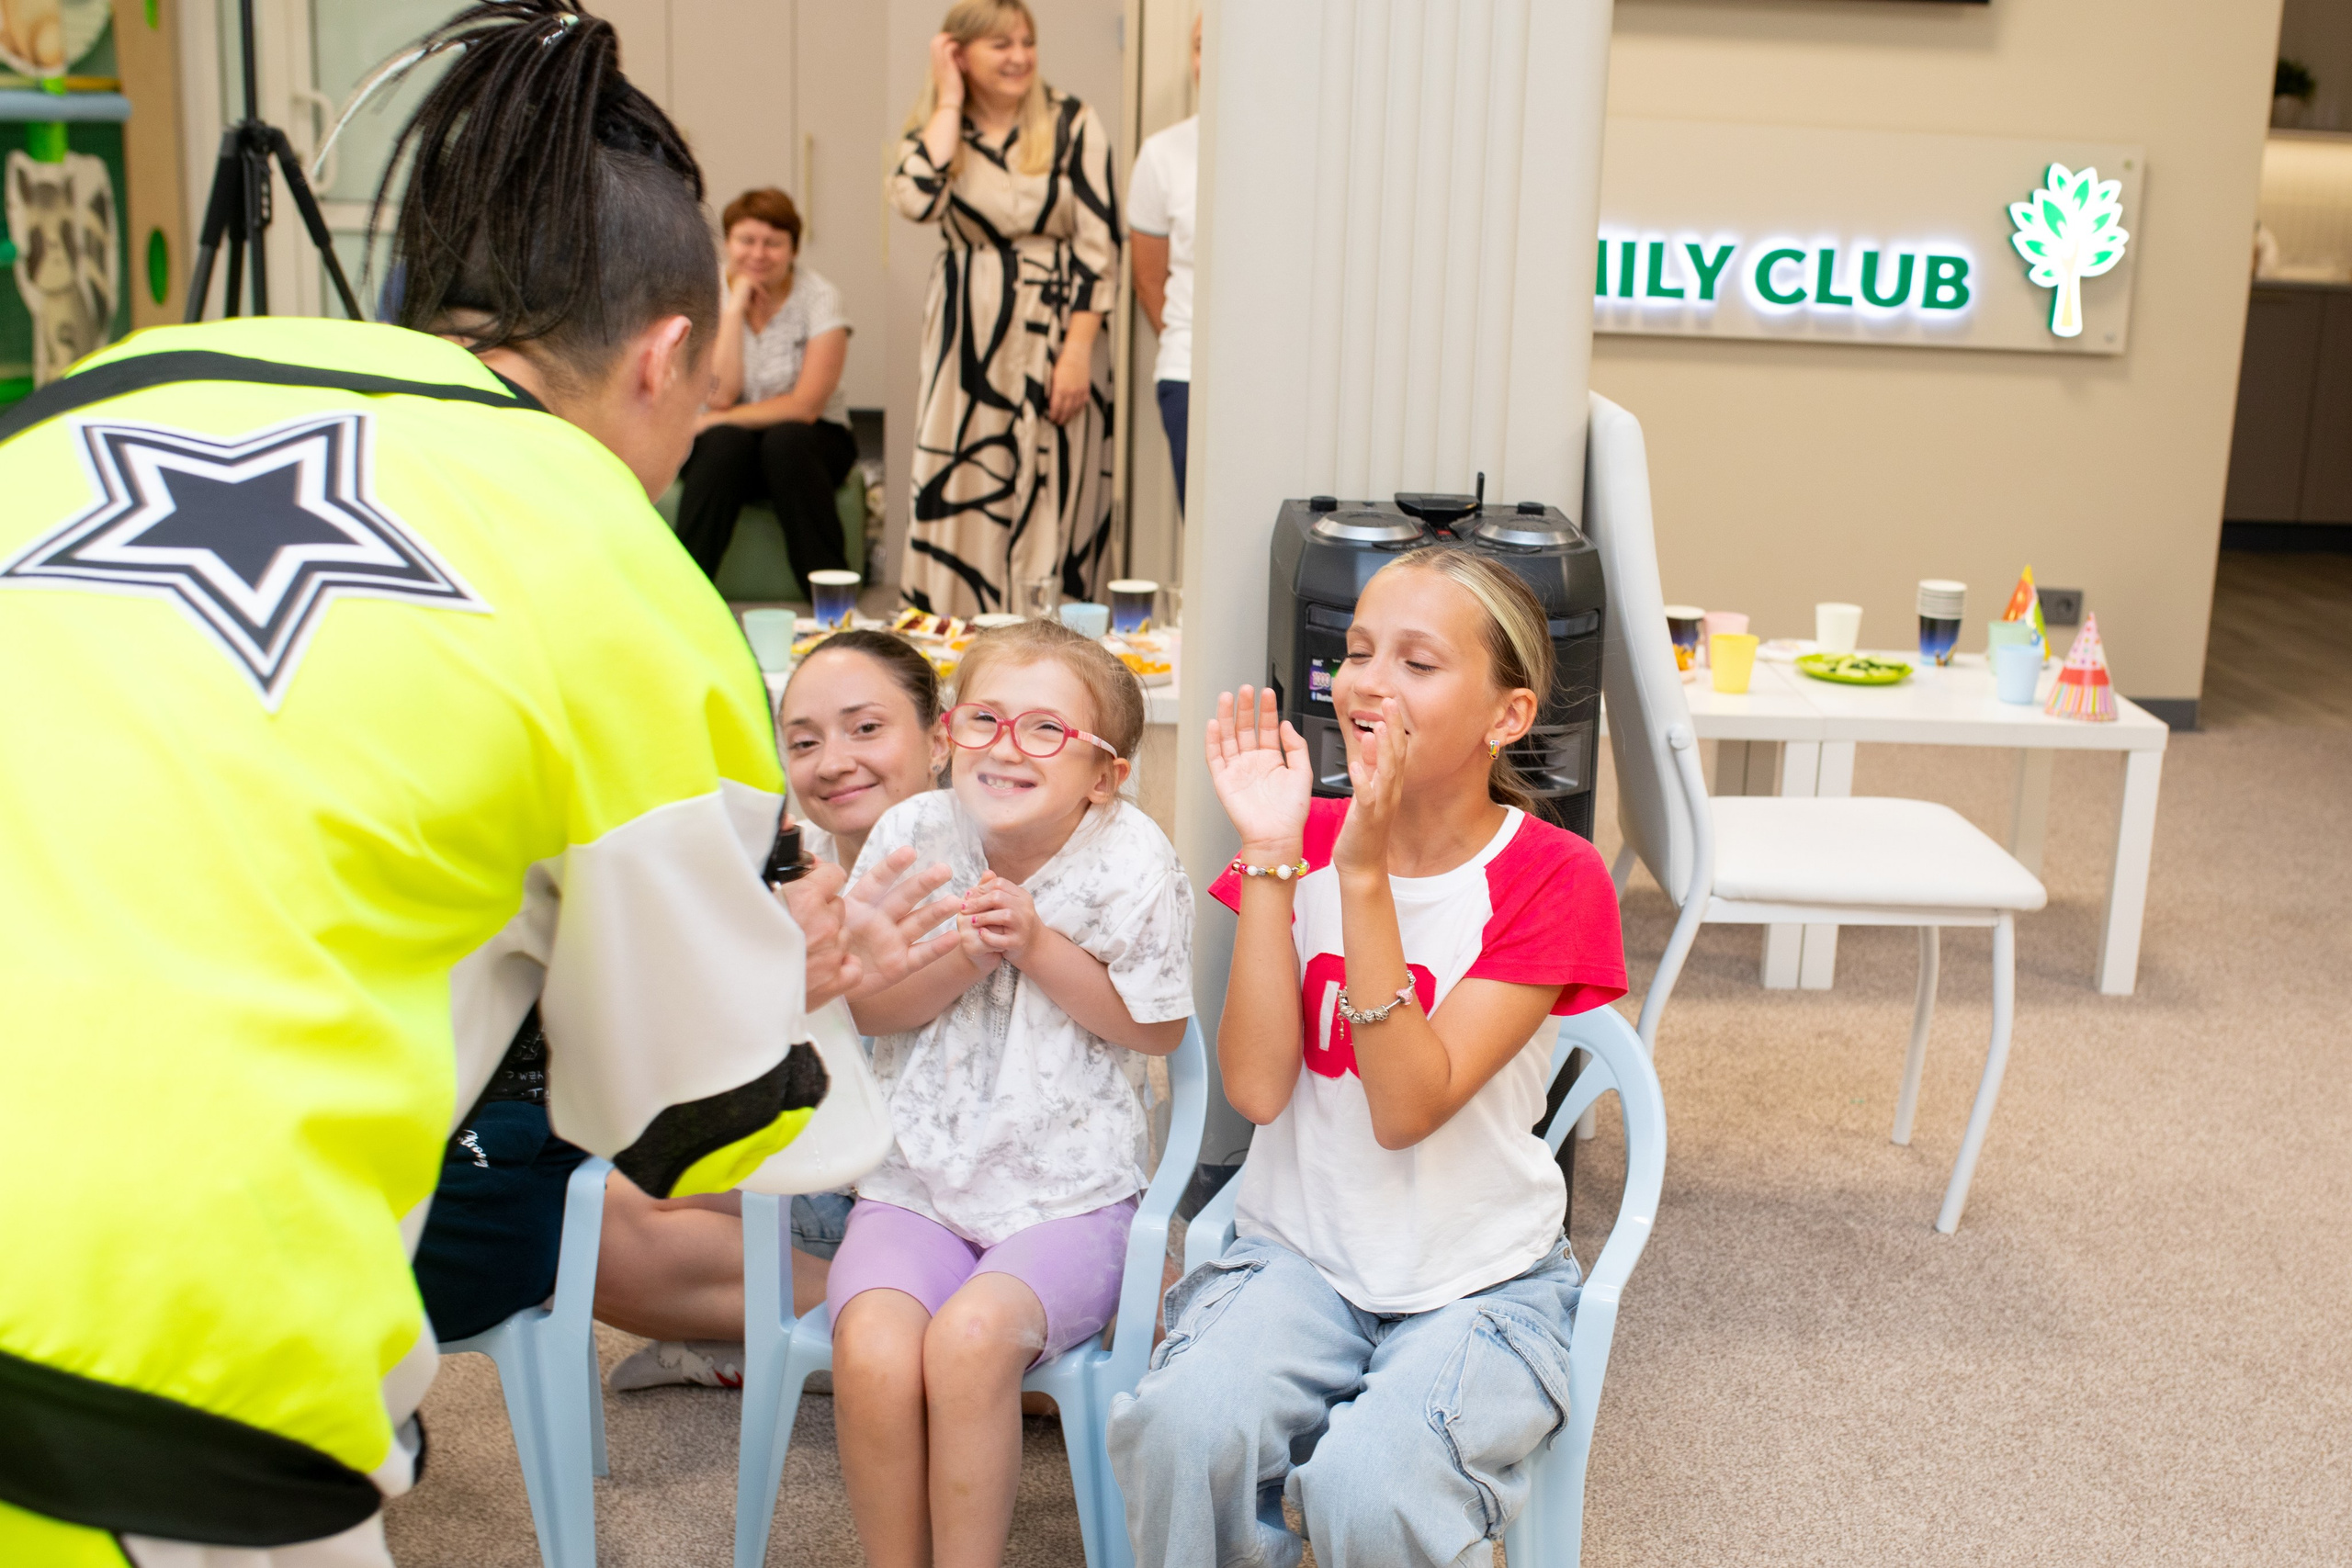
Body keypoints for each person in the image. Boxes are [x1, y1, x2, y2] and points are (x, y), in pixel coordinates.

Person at [0, 6, 958, 1565]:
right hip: (148, 1358)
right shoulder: (611, 569)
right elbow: (702, 1122)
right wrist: (795, 970)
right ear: (665, 361)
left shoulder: (82, 402)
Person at [1105, 547, 1629, 1568]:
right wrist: (1271, 852)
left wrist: (1359, 879)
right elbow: (1256, 1091)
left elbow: (1406, 1105)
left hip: (1479, 1280)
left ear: (1506, 717)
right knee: (1181, 1436)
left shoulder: (1553, 877)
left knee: (1368, 1493)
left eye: (1418, 663)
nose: (1367, 684)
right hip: (1299, 1255)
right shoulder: (1296, 837)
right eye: (1354, 653)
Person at [831, 620, 1194, 1568]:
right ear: (948, 734)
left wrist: (1036, 947)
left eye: (1045, 731)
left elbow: (1154, 1028)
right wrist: (962, 955)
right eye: (983, 720)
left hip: (1070, 1193)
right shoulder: (910, 836)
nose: (1004, 746)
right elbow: (869, 1011)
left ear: (1103, 773)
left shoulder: (1133, 861)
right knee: (870, 1349)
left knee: (970, 1343)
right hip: (916, 1181)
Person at [596, 629, 950, 1390]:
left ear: (938, 737)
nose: (833, 761)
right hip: (827, 1166)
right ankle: (877, 1343)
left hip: (949, 1195)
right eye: (803, 740)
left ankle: (880, 1346)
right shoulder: (792, 863)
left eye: (866, 728)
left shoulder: (993, 856)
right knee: (591, 1216)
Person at [891, 0, 1122, 618]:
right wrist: (947, 98)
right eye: (1001, 44)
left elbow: (1102, 248)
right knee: (964, 482)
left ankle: (1055, 656)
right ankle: (958, 647)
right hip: (968, 339)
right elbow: (915, 198)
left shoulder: (1073, 122)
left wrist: (1076, 352)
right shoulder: (945, 130)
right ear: (959, 52)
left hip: (1060, 331)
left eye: (1027, 41)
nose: (1019, 56)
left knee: (1059, 493)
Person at [673, 187, 860, 599]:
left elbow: (805, 406)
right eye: (746, 241)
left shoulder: (820, 298)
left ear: (792, 249)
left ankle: (833, 604)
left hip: (810, 443)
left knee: (785, 441)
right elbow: (720, 394)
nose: (758, 254)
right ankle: (680, 598)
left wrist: (717, 419)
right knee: (725, 445)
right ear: (727, 244)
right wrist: (734, 307)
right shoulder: (705, 293)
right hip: (728, 450)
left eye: (773, 243)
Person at [1127, 13, 1200, 514]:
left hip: (1280, 383)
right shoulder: (1162, 154)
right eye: (1200, 47)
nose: (1210, 61)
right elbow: (1149, 279)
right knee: (1201, 532)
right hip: (1189, 371)